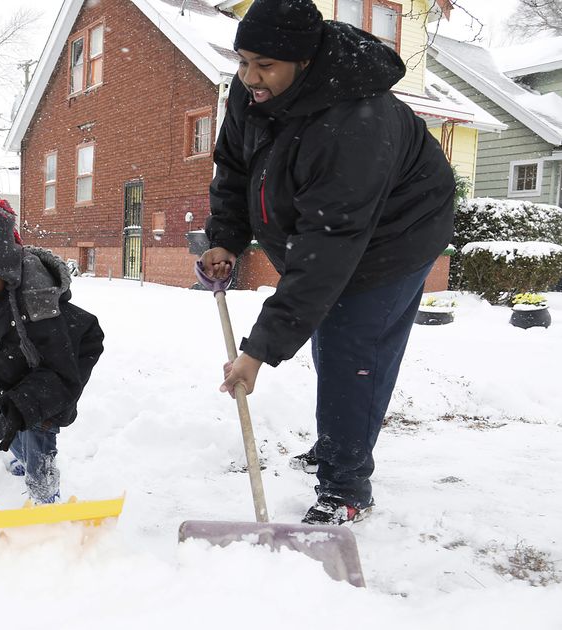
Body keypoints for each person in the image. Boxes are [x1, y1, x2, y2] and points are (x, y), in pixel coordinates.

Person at [200, 0, 455, 525]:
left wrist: (258, 351)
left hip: (396, 235)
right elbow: (233, 165)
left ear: (306, 62)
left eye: (264, 65)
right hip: (332, 233)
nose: (249, 76)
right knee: (329, 340)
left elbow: (328, 250)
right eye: (243, 60)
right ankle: (340, 443)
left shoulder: (355, 123)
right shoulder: (253, 93)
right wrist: (225, 237)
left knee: (351, 351)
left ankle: (345, 486)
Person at [0, 193, 104, 504]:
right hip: (12, 372)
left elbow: (60, 371)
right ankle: (21, 457)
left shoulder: (36, 305)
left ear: (6, 271)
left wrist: (28, 402)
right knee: (12, 428)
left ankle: (45, 495)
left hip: (51, 375)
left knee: (37, 434)